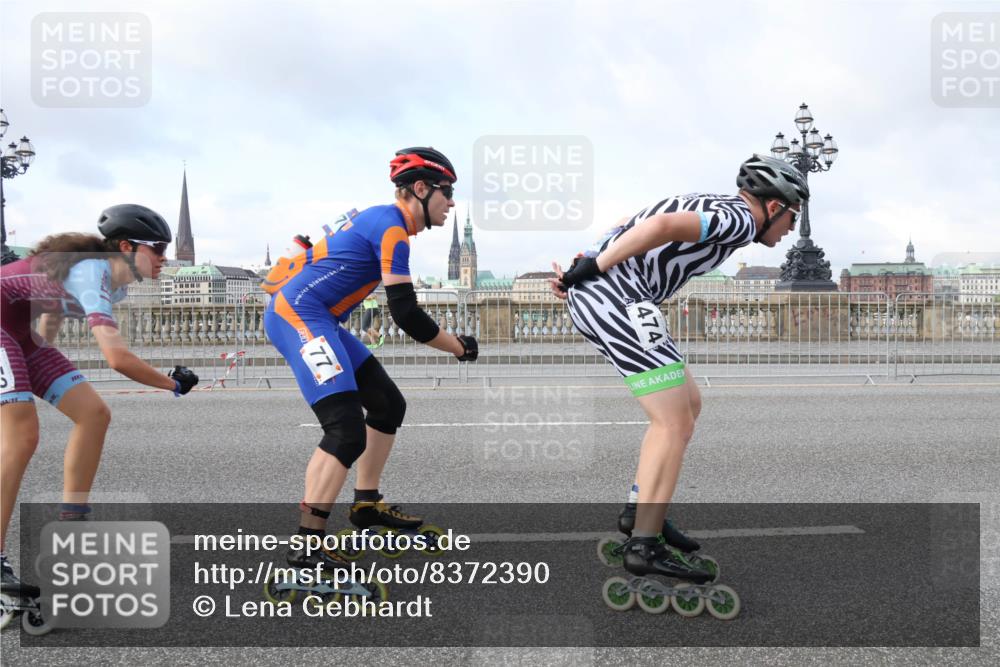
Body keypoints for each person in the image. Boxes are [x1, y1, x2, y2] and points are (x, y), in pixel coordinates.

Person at [550, 154, 808, 581]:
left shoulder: (713, 202)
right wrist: (593, 269)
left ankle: (641, 510)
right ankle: (645, 544)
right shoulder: (741, 219)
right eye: (792, 218)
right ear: (775, 206)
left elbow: (628, 221)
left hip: (613, 294)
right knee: (672, 422)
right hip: (621, 299)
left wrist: (583, 267)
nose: (789, 231)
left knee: (689, 403)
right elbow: (658, 228)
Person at [262, 147, 478, 572]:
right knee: (345, 429)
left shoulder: (385, 221)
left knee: (387, 405)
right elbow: (407, 313)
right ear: (420, 189)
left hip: (319, 316)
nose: (450, 202)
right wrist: (459, 346)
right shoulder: (392, 228)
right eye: (447, 192)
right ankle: (306, 546)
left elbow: (384, 301)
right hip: (299, 315)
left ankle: (366, 503)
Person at [0, 204, 199, 588]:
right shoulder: (93, 272)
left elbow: (51, 310)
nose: (164, 257)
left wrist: (39, 365)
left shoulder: (118, 286)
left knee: (94, 413)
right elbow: (117, 358)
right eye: (156, 248)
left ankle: (72, 523)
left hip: (19, 334)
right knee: (22, 436)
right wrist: (172, 382)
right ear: (126, 247)